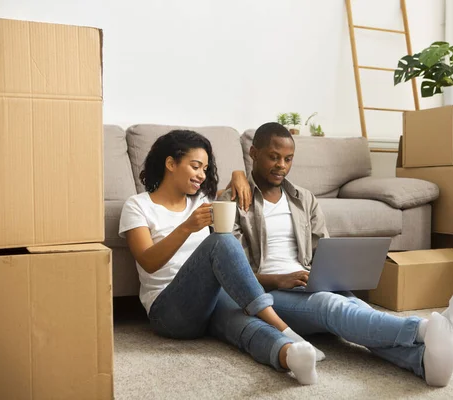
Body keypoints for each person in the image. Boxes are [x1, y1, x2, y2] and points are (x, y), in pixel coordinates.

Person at [219, 122, 453, 387]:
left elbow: (322, 249)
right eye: (274, 157)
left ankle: (425, 363)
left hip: (305, 281)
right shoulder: (233, 200)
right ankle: (427, 329)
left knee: (357, 308)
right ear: (254, 154)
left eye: (288, 159)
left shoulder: (304, 199)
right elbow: (232, 272)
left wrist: (332, 273)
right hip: (265, 294)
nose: (282, 165)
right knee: (331, 305)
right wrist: (279, 280)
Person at [119, 129, 320, 385]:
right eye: (195, 166)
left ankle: (290, 355)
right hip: (169, 311)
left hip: (209, 301)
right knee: (221, 240)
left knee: (243, 326)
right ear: (170, 164)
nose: (202, 175)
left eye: (205, 168)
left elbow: (233, 188)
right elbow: (147, 262)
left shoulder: (200, 201)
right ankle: (285, 328)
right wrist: (186, 228)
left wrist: (238, 174)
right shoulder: (138, 206)